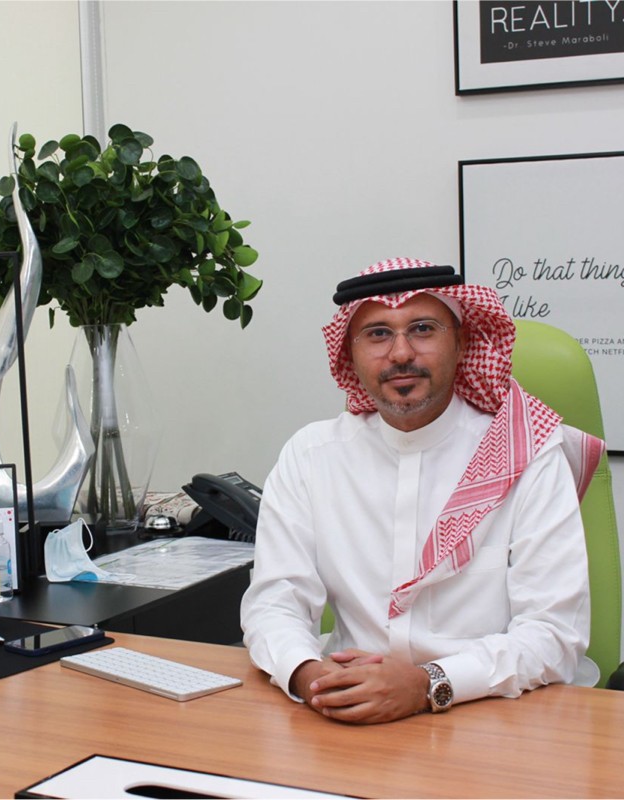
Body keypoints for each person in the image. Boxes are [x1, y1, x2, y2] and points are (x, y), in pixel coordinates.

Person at [240, 257, 603, 724]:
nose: (400, 353)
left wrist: (425, 684)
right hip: (347, 711)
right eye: (377, 334)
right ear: (349, 353)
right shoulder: (311, 455)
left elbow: (553, 635)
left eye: (423, 329)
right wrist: (311, 677)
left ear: (461, 343)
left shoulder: (526, 450)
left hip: (496, 714)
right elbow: (274, 602)